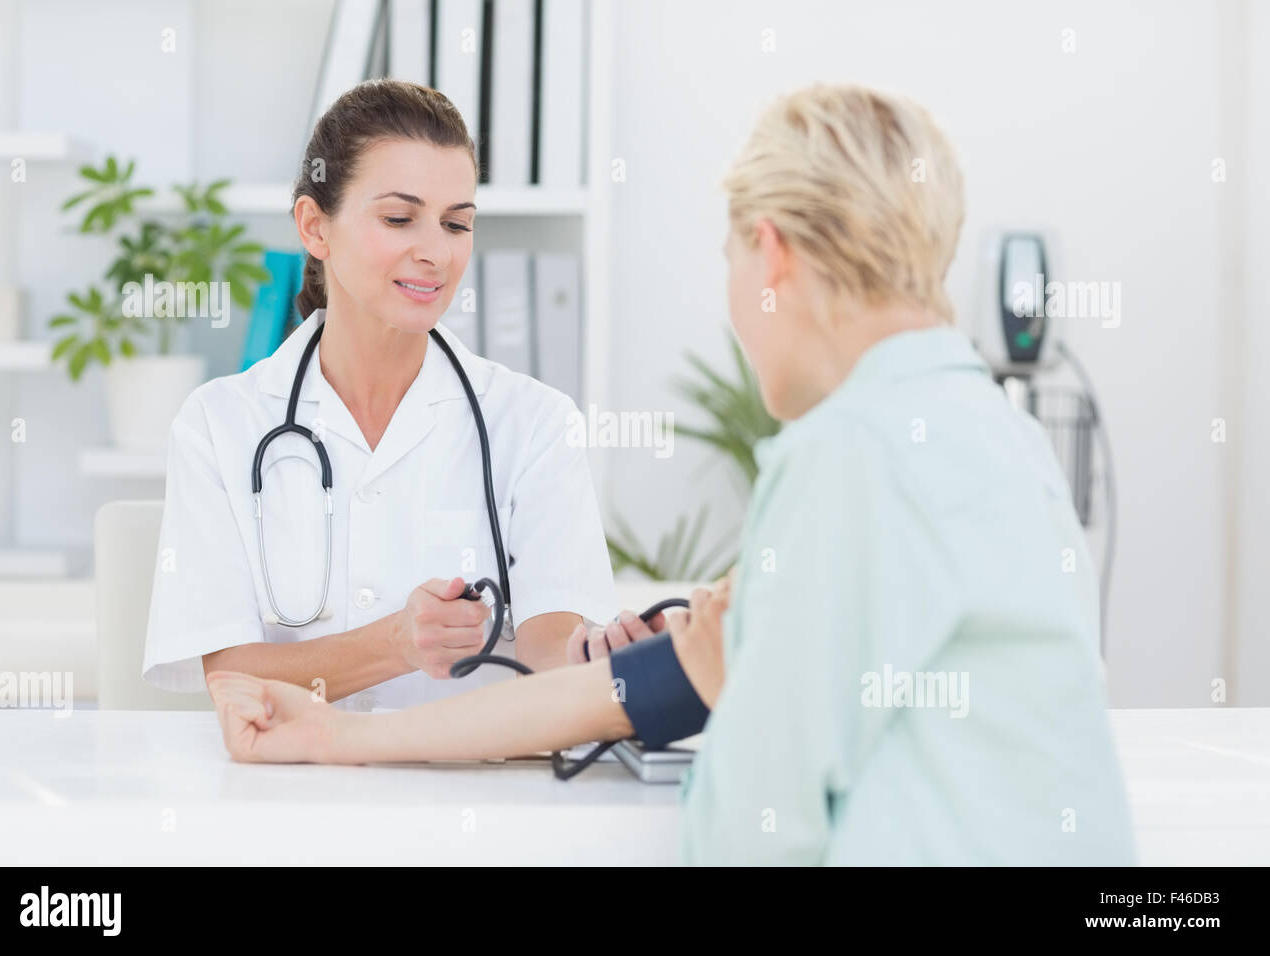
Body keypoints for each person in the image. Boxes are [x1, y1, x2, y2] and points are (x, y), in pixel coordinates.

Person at [206, 82, 1136, 865]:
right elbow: (635, 687)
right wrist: (345, 734)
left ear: (770, 251)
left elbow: (754, 827)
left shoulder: (852, 452)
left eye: (729, 258)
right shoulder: (986, 426)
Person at [143, 79, 647, 713]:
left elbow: (553, 645)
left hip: (474, 795)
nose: (435, 252)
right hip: (285, 801)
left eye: (456, 224)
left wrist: (604, 657)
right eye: (398, 218)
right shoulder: (220, 424)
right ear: (314, 227)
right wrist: (398, 643)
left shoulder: (535, 423)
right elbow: (234, 680)